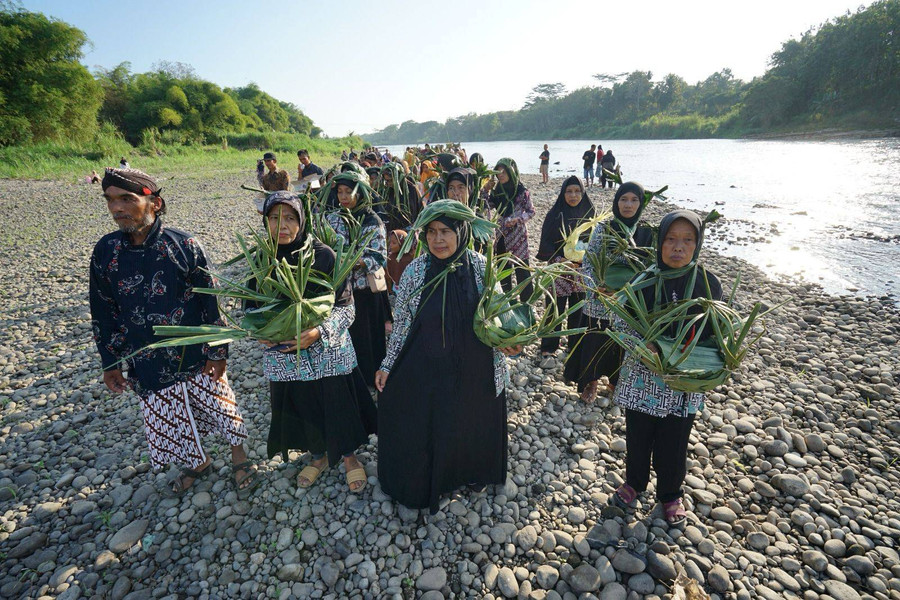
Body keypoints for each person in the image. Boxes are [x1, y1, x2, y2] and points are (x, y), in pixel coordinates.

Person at [89, 168, 259, 497]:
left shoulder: (183, 245)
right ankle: (198, 461)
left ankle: (239, 457)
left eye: (127, 199)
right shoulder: (106, 251)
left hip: (194, 354)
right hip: (146, 359)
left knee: (221, 406)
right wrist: (110, 361)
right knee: (169, 416)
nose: (117, 208)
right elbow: (103, 308)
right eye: (110, 200)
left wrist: (217, 352)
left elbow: (212, 301)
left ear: (154, 203)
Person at [374, 201, 519, 514]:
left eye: (445, 231)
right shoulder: (415, 271)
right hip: (429, 366)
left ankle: (473, 472)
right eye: (430, 232)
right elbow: (402, 324)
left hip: (477, 365)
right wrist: (387, 364)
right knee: (432, 420)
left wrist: (510, 341)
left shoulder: (481, 267)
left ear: (461, 232)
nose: (437, 239)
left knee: (473, 418)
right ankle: (438, 479)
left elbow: (501, 314)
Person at [608, 210, 723, 525]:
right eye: (671, 239)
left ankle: (671, 494)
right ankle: (634, 483)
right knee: (638, 435)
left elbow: (719, 331)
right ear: (659, 242)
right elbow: (619, 321)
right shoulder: (643, 280)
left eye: (687, 240)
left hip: (682, 383)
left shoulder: (708, 284)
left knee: (675, 441)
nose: (678, 247)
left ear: (697, 244)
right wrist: (643, 346)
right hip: (643, 379)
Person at [256, 192, 376, 492]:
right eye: (274, 218)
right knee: (303, 404)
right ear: (265, 221)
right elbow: (252, 308)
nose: (282, 225)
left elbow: (347, 309)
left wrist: (318, 332)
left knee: (338, 403)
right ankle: (319, 455)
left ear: (302, 221)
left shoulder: (324, 256)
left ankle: (349, 458)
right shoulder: (261, 260)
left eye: (290, 218)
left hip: (328, 351)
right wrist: (261, 332)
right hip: (286, 355)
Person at [567, 182, 654, 403]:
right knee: (595, 339)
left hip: (630, 300)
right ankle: (591, 382)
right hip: (601, 296)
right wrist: (597, 286)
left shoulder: (646, 231)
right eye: (623, 199)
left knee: (621, 343)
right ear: (616, 202)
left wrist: (632, 291)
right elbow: (589, 260)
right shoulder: (604, 228)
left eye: (634, 200)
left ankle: (615, 382)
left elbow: (652, 267)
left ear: (641, 203)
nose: (628, 205)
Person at [325, 171, 390, 385]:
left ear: (359, 193)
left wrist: (355, 262)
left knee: (367, 338)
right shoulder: (333, 219)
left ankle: (372, 380)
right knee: (346, 337)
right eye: (340, 192)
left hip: (364, 293)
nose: (344, 197)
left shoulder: (372, 220)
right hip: (341, 291)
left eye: (348, 192)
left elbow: (379, 257)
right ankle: (350, 380)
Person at [536, 176, 595, 357]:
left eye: (577, 191)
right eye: (569, 191)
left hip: (580, 269)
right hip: (558, 268)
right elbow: (545, 242)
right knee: (554, 308)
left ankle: (574, 345)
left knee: (578, 308)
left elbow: (593, 242)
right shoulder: (555, 214)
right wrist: (560, 259)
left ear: (583, 193)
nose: (573, 195)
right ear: (563, 193)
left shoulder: (589, 214)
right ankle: (548, 347)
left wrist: (581, 259)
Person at [484, 158, 535, 302]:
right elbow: (485, 206)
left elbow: (531, 211)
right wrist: (485, 190)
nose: (500, 175)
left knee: (522, 270)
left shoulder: (521, 191)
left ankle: (526, 304)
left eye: (504, 172)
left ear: (511, 172)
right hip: (501, 235)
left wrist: (518, 219)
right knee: (503, 270)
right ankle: (506, 305)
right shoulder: (497, 191)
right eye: (498, 172)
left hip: (518, 235)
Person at [380, 161, 422, 231]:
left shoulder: (410, 189)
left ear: (398, 177)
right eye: (386, 181)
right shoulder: (388, 191)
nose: (388, 183)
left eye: (390, 180)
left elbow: (415, 211)